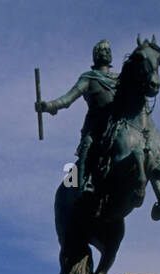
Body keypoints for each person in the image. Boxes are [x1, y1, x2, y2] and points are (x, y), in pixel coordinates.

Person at [36, 39, 119, 195]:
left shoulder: (119, 79)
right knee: (87, 148)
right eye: (102, 51)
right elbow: (67, 99)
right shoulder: (89, 78)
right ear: (95, 56)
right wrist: (48, 106)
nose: (106, 53)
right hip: (96, 128)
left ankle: (159, 185)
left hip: (117, 126)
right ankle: (83, 186)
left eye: (108, 50)